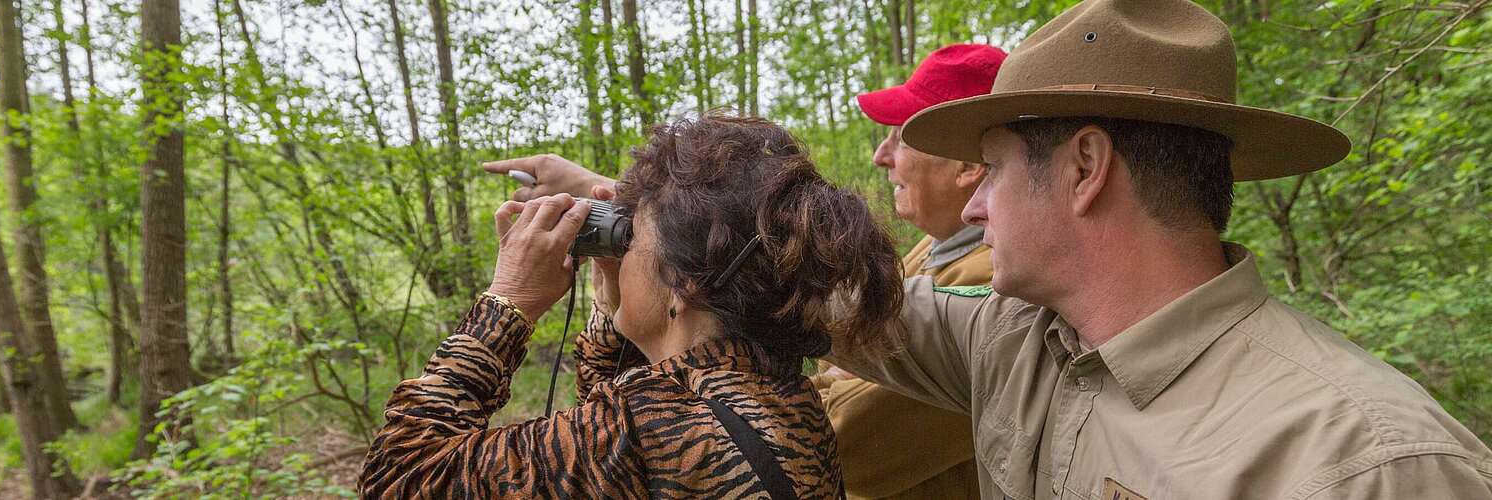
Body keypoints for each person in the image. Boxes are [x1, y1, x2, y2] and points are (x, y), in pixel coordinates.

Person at [825, 0, 1492, 498]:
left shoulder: (1371, 465)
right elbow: (832, 299)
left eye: (993, 168)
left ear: (1085, 169)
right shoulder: (1018, 341)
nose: (974, 205)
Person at [359, 113, 907, 498]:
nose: (623, 249)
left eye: (633, 238)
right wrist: (612, 299)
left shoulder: (646, 435)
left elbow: (398, 477)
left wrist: (508, 302)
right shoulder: (778, 388)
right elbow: (616, 405)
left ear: (684, 285)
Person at [809, 43, 1004, 500]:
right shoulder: (935, 245)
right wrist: (842, 378)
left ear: (969, 165)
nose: (881, 155)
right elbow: (832, 352)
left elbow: (843, 443)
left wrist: (843, 379)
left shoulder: (995, 280)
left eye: (901, 134)